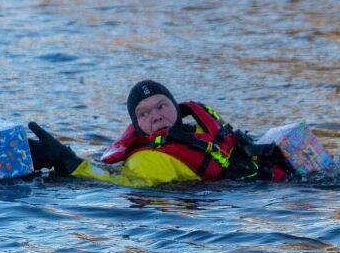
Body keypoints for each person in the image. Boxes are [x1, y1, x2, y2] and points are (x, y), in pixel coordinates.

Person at [28, 80, 291, 188]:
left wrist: (67, 161)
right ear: (137, 126)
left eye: (161, 106)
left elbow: (125, 183)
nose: (155, 116)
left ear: (176, 109)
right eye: (143, 114)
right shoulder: (203, 135)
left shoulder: (146, 160)